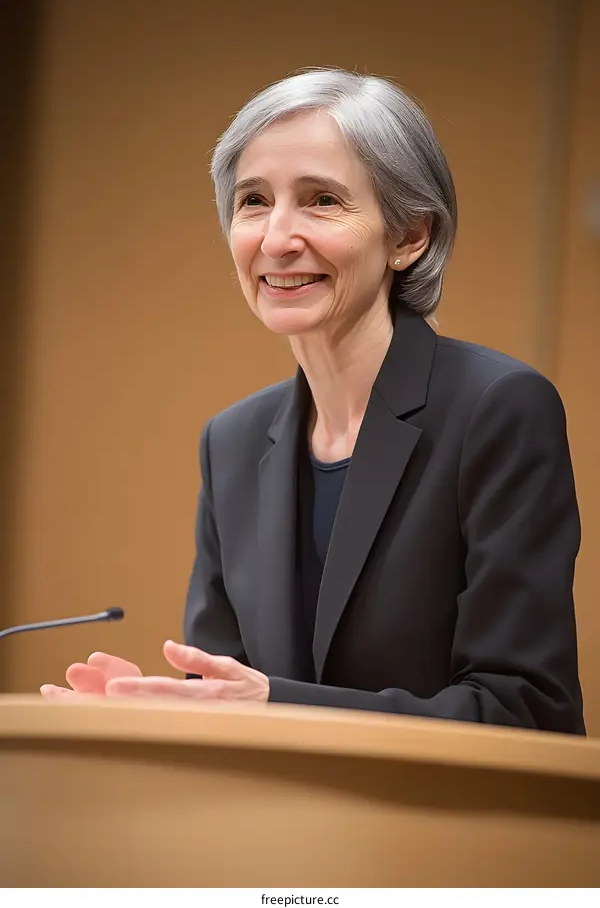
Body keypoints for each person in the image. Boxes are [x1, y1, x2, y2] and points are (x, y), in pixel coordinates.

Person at [41, 68, 585, 734]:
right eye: (253, 201)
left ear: (409, 236)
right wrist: (159, 713)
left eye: (322, 200)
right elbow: (232, 695)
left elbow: (526, 712)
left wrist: (273, 704)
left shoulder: (497, 409)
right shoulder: (232, 442)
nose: (276, 239)